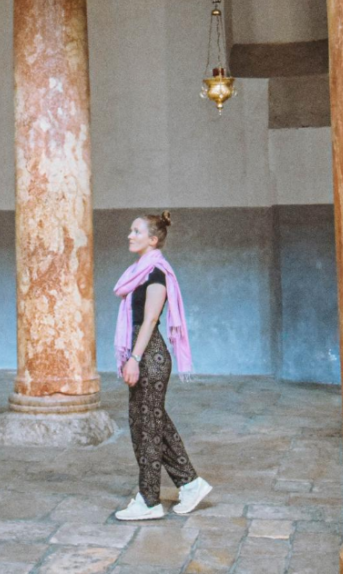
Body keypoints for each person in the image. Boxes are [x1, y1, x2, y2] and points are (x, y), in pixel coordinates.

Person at [113, 211, 212, 521]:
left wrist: (134, 358)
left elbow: (151, 319)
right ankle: (190, 483)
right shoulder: (140, 272)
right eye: (131, 230)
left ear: (153, 240)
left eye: (137, 231)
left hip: (150, 358)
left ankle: (149, 500)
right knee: (151, 424)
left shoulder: (157, 273)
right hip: (144, 355)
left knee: (148, 431)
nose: (130, 235)